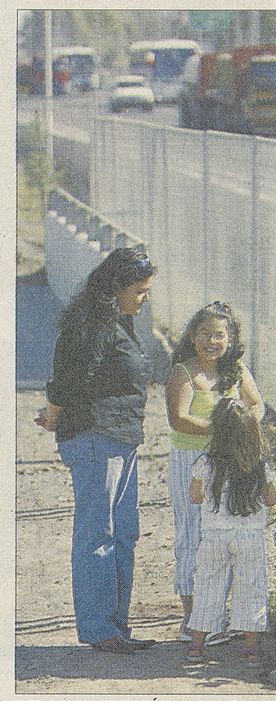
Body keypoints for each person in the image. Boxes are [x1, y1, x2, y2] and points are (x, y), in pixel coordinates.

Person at [35, 247, 157, 654]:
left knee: (124, 533)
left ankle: (115, 627)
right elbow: (67, 380)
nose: (145, 298)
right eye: (139, 290)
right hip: (93, 438)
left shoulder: (119, 322)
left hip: (122, 439)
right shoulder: (92, 322)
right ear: (117, 288)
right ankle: (98, 628)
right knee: (97, 535)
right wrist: (53, 415)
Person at [165, 302, 265, 643]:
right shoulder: (184, 372)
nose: (212, 341)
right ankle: (194, 621)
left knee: (231, 533)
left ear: (230, 338)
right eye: (205, 334)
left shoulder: (235, 369)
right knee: (194, 535)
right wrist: (222, 428)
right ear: (193, 337)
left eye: (219, 335)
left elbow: (256, 404)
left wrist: (243, 428)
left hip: (232, 462)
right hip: (192, 460)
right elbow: (178, 419)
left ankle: (225, 616)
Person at [185, 397, 276, 666]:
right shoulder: (259, 465)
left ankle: (196, 645)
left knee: (207, 587)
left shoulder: (205, 463)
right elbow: (271, 499)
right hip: (249, 535)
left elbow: (194, 496)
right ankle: (251, 649)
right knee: (252, 586)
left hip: (214, 535)